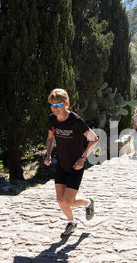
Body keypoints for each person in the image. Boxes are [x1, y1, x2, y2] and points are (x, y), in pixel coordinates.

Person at [44, 88, 99, 237]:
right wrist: (48, 154)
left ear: (66, 103)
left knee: (68, 201)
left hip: (76, 165)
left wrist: (82, 158)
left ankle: (88, 203)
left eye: (58, 105)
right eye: (52, 105)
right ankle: (72, 222)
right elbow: (50, 138)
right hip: (62, 164)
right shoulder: (52, 120)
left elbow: (94, 139)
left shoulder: (75, 121)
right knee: (60, 200)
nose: (54, 109)